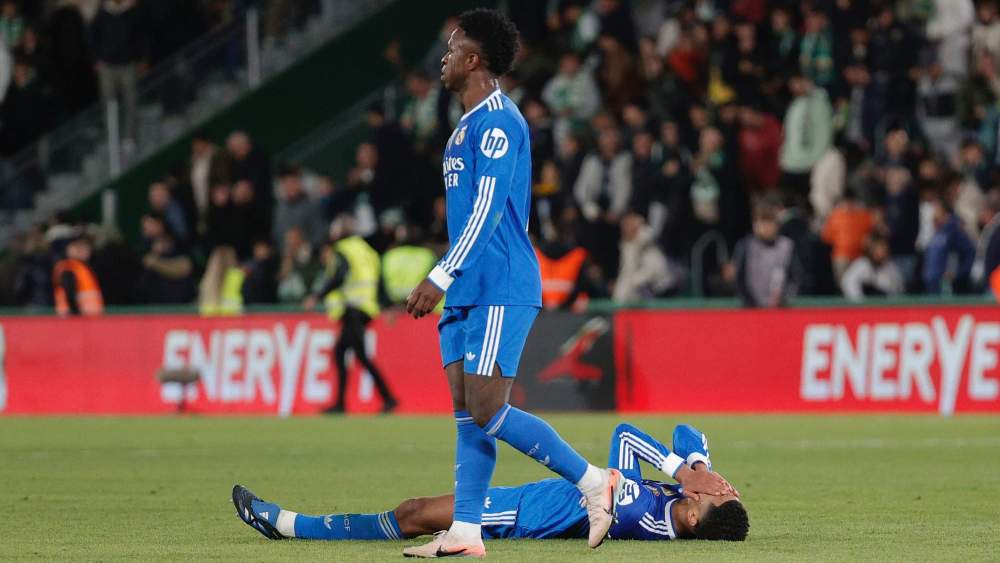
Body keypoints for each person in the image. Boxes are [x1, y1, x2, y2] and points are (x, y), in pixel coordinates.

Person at [402, 9, 736, 557]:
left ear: (474, 59)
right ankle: (466, 530)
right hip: (470, 286)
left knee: (487, 408)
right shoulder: (464, 127)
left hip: (498, 281)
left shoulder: (499, 122)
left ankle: (591, 481)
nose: (443, 56)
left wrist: (441, 274)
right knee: (468, 415)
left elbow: (488, 211)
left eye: (453, 46)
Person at [232, 422, 746, 543]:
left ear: (694, 513)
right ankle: (292, 523)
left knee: (413, 513)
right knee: (415, 511)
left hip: (522, 514)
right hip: (532, 497)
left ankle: (290, 525)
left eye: (712, 496)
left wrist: (683, 470)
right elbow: (687, 431)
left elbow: (625, 436)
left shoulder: (639, 513)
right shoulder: (686, 505)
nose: (715, 488)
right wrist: (698, 463)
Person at [303, 216, 397, 414]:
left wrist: (318, 295)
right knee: (354, 355)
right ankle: (385, 399)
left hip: (353, 308)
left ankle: (346, 403)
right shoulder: (368, 251)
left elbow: (340, 275)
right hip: (367, 308)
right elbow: (380, 281)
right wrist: (387, 305)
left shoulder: (343, 249)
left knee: (345, 353)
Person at [733, 202, 799, 308]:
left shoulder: (787, 246)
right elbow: (739, 279)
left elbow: (795, 277)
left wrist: (784, 297)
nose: (766, 227)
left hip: (780, 308)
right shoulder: (746, 245)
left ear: (776, 225)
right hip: (751, 308)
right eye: (762, 223)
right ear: (754, 224)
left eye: (769, 222)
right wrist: (750, 302)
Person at [840, 234, 905, 301]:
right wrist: (862, 302)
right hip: (863, 305)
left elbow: (898, 290)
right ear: (871, 249)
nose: (883, 251)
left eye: (885, 247)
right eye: (880, 248)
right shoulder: (862, 264)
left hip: (884, 305)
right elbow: (848, 283)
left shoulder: (890, 266)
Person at [53, 234, 104, 317]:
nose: (84, 251)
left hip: (87, 318)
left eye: (86, 247)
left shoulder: (83, 267)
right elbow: (69, 293)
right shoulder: (69, 267)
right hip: (74, 318)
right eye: (78, 247)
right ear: (69, 249)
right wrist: (76, 314)